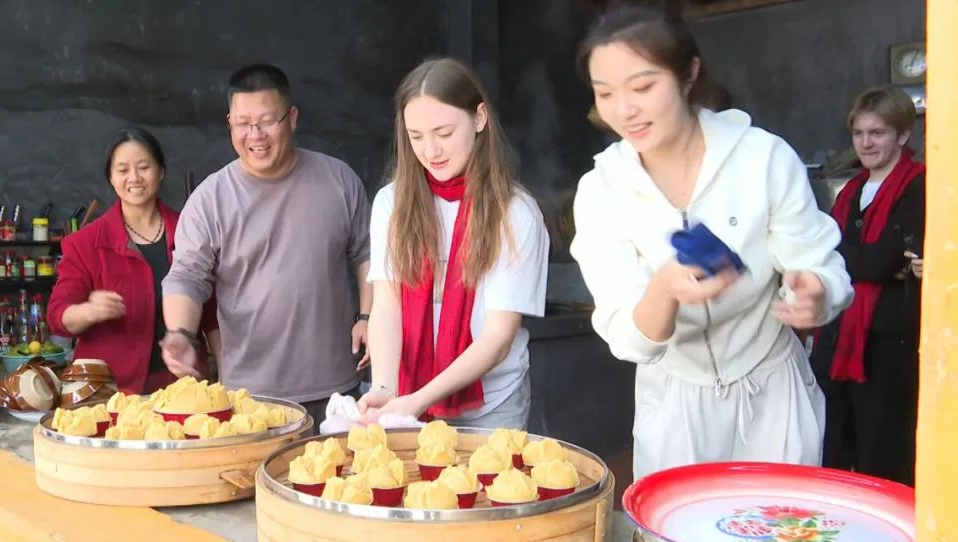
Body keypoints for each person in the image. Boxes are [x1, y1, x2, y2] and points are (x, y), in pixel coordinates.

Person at [570, 6, 853, 480]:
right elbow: (629, 340)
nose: (625, 109)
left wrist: (817, 292)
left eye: (643, 87)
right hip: (676, 401)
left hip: (772, 387)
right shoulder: (602, 191)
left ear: (688, 74)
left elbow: (820, 264)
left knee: (781, 540)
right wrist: (664, 289)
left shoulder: (763, 157)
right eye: (606, 93)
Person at [160, 64, 372, 427]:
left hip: (336, 391)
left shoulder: (339, 180)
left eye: (267, 121)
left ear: (292, 118)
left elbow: (369, 254)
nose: (255, 135)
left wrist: (368, 316)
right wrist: (180, 332)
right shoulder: (211, 198)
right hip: (252, 398)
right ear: (229, 122)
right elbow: (186, 277)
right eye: (243, 123)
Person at [357, 58, 550, 430]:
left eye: (444, 133)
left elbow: (497, 338)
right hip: (404, 394)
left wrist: (417, 400)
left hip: (493, 403)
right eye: (416, 136)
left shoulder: (516, 212)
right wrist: (384, 386)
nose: (431, 151)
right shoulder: (391, 202)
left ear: (479, 119)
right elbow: (387, 305)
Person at [810, 86, 925, 486]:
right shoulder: (853, 190)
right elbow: (834, 253)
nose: (866, 143)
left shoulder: (918, 186)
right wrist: (870, 260)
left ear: (903, 135)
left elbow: (875, 263)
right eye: (859, 133)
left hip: (886, 344)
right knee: (832, 448)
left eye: (877, 133)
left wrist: (854, 259)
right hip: (838, 335)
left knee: (884, 454)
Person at [48, 127, 218, 394]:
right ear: (111, 178)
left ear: (160, 171)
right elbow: (58, 317)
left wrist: (228, 380)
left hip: (181, 389)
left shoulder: (190, 231)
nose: (135, 178)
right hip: (107, 393)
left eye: (144, 167)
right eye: (123, 170)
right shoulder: (86, 243)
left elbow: (211, 318)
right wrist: (89, 311)